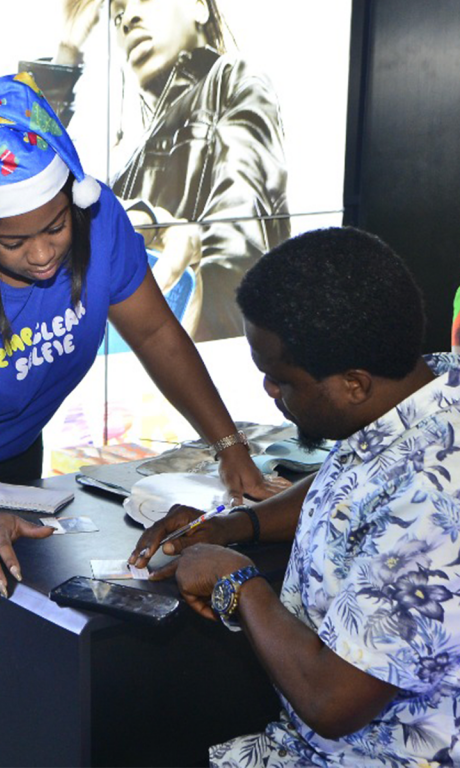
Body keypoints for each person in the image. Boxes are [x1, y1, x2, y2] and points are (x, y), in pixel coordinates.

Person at [0, 73, 287, 767]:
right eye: (13, 243)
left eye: (54, 228)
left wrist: (229, 446)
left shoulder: (102, 227)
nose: (43, 255)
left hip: (10, 447)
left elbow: (156, 334)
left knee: (5, 617)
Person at [130, 227, 460, 766]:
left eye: (280, 380)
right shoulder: (431, 385)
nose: (269, 391)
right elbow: (353, 478)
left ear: (354, 384)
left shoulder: (434, 502)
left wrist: (237, 581)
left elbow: (332, 701)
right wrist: (238, 525)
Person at [21, 0, 290, 342]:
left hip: (186, 356)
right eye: (118, 15)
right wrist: (68, 50)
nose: (128, 19)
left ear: (199, 7)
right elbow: (19, 188)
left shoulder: (233, 79)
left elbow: (237, 250)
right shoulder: (129, 162)